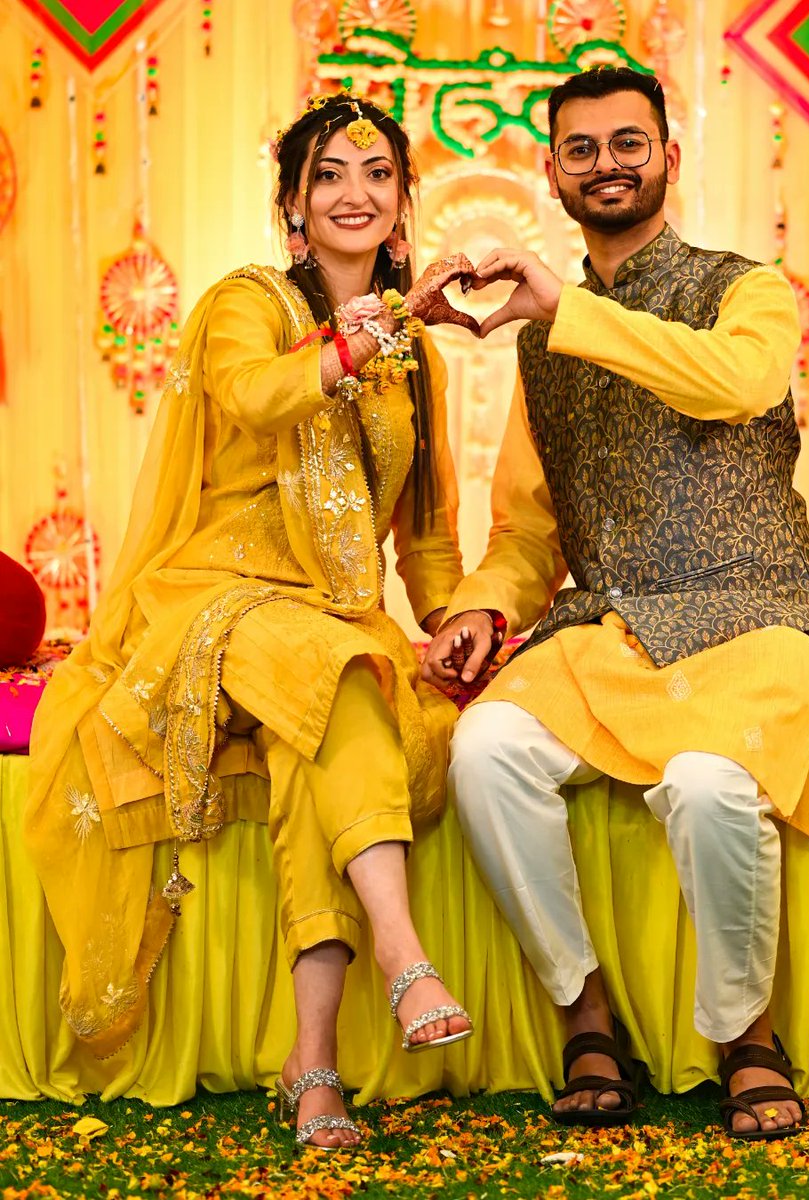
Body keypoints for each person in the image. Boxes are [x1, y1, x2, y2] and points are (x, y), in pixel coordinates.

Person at [422, 67, 809, 1139]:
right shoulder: (544, 342)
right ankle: (586, 1017)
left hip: (755, 617)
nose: (608, 164)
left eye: (629, 142)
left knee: (714, 783)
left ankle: (744, 1034)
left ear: (670, 156)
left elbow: (734, 382)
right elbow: (534, 527)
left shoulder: (746, 289)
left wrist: (568, 313)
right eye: (582, 149)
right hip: (616, 631)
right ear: (553, 173)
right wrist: (482, 607)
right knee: (484, 749)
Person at [26, 91, 481, 1151]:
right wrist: (355, 344)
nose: (354, 193)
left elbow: (425, 528)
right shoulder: (247, 304)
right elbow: (254, 396)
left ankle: (312, 1068)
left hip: (333, 617)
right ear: (291, 207)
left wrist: (453, 616)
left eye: (376, 174)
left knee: (338, 712)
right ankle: (406, 955)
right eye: (328, 174)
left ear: (405, 203)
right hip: (213, 599)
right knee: (337, 672)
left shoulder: (418, 355)